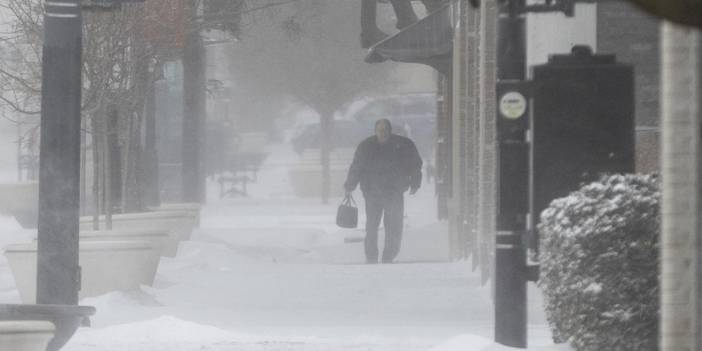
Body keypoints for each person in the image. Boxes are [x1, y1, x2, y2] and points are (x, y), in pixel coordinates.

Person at [344, 118, 423, 264]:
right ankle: (371, 256)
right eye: (380, 130)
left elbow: (415, 164)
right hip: (372, 192)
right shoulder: (366, 146)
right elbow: (357, 167)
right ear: (375, 131)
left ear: (390, 130)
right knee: (372, 226)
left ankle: (389, 255)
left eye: (385, 130)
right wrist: (350, 185)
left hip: (394, 191)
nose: (383, 133)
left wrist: (415, 183)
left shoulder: (403, 145)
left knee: (393, 225)